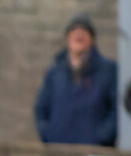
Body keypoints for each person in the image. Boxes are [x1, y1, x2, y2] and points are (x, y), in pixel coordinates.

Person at [34, 14, 118, 147]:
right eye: (74, 31)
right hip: (58, 153)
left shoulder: (108, 70)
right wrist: (49, 135)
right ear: (67, 38)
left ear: (92, 39)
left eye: (84, 31)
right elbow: (41, 108)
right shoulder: (55, 72)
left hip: (95, 155)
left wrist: (102, 138)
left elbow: (116, 110)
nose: (78, 35)